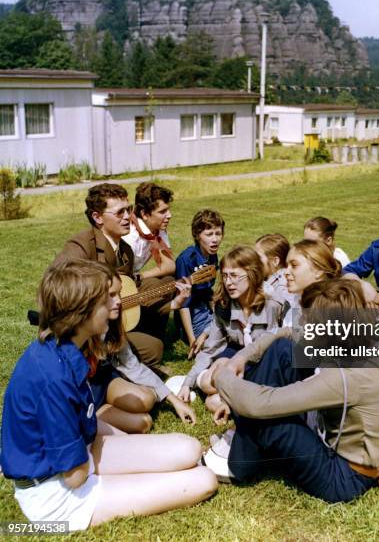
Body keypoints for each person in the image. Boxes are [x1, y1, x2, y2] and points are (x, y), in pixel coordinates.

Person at [0, 259, 217, 532]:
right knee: (204, 480)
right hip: (57, 493)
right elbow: (75, 476)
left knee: (189, 449)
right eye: (108, 300)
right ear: (83, 312)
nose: (118, 305)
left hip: (80, 454)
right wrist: (132, 465)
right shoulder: (53, 378)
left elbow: (81, 425)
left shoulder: (65, 349)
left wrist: (132, 453)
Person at [205, 278, 379, 504]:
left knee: (272, 422)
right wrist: (239, 358)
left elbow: (260, 404)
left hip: (344, 476)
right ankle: (246, 446)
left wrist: (221, 377)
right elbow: (286, 333)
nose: (302, 325)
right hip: (334, 441)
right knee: (283, 351)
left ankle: (241, 461)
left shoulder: (346, 375)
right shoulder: (355, 339)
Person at [54, 183, 176, 369]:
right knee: (153, 350)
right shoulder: (81, 245)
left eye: (128, 210)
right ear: (97, 217)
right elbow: (56, 284)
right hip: (84, 332)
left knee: (154, 348)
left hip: (112, 326)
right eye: (120, 213)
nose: (128, 217)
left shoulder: (125, 250)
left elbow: (126, 290)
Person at [178, 246, 283, 417]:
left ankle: (236, 399)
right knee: (206, 383)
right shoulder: (224, 306)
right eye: (225, 276)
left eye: (234, 276)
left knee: (212, 401)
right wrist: (187, 383)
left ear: (252, 274)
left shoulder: (272, 306)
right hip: (238, 354)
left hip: (264, 364)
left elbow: (273, 353)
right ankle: (232, 396)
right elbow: (210, 348)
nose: (228, 282)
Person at [89, 270, 197, 433]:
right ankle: (93, 416)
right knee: (143, 423)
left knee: (148, 400)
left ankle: (106, 408)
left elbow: (132, 366)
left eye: (119, 293)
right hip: (85, 394)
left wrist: (174, 401)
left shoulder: (113, 325)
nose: (119, 301)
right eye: (112, 295)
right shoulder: (80, 334)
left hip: (104, 379)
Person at [175, 209, 224, 357]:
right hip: (192, 312)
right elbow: (183, 305)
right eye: (209, 234)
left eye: (218, 233)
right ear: (197, 235)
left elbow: (208, 291)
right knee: (216, 342)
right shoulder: (187, 259)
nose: (215, 239)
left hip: (205, 305)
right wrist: (191, 339)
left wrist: (216, 311)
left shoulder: (212, 255)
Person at [282, 239, 343, 327]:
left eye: (294, 265)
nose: (286, 272)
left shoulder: (329, 312)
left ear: (318, 271)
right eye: (286, 266)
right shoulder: (296, 301)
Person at [122, 182, 176, 281]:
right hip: (118, 283)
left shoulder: (158, 231)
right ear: (144, 214)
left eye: (168, 210)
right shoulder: (129, 237)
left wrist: (140, 276)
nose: (169, 215)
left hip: (132, 277)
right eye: (162, 212)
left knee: (170, 280)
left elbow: (170, 265)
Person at [254, 233, 293, 304]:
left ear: (275, 261)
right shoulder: (268, 278)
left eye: (258, 258)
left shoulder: (283, 286)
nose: (254, 261)